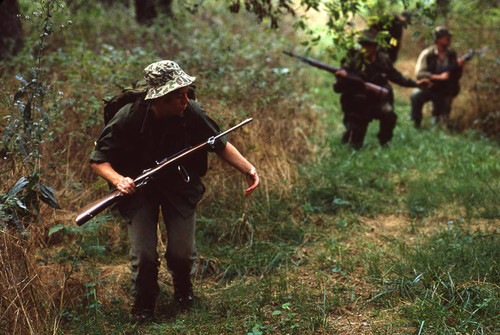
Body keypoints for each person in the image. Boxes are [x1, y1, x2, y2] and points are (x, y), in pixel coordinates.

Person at [89, 60, 260, 323]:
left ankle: (183, 291)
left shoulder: (192, 112)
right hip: (138, 189)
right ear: (159, 99)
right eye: (178, 95)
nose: (186, 99)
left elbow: (219, 143)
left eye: (186, 92)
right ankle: (144, 303)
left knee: (182, 250)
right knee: (144, 254)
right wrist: (119, 179)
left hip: (180, 185)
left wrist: (248, 169)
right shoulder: (128, 117)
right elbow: (98, 160)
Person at [334, 29, 430, 149]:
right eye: (363, 44)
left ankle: (384, 141)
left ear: (375, 46)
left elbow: (396, 76)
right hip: (358, 104)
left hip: (378, 100)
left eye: (369, 45)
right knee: (356, 144)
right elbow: (337, 88)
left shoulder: (383, 59)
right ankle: (350, 131)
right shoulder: (353, 59)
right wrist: (341, 77)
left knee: (389, 115)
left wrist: (416, 84)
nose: (365, 48)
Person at [410, 26, 465, 128]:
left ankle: (441, 121)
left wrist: (459, 67)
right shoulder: (427, 54)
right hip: (429, 86)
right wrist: (437, 77)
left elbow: (457, 76)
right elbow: (420, 74)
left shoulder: (452, 54)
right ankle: (416, 121)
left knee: (445, 101)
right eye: (446, 37)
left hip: (446, 88)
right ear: (438, 39)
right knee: (416, 96)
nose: (449, 40)